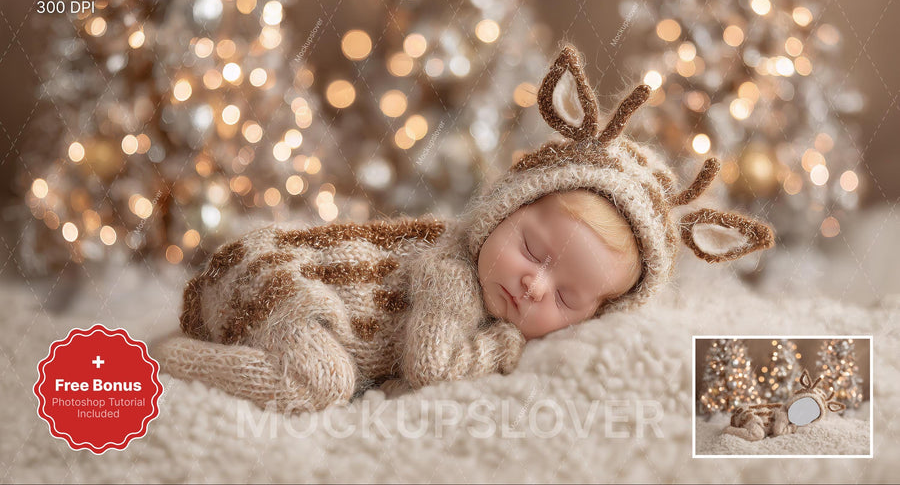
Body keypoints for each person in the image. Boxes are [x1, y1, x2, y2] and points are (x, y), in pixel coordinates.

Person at [152, 45, 775, 413]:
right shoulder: (454, 274)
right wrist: (503, 348)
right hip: (273, 281)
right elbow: (429, 367)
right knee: (322, 381)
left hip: (275, 279)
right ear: (503, 211)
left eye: (567, 298)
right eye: (531, 250)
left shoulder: (512, 289)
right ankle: (176, 361)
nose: (534, 286)